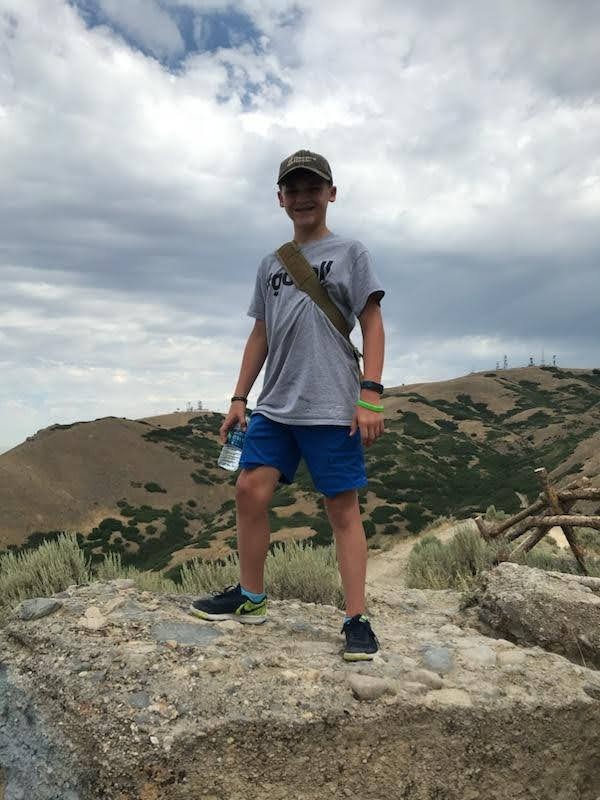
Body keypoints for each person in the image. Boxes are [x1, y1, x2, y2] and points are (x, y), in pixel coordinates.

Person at [190, 149, 386, 661]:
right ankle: (251, 597)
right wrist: (239, 397)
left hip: (331, 404)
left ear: (331, 193)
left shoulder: (351, 252)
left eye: (312, 188)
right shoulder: (271, 263)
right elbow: (260, 333)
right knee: (248, 490)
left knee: (341, 508)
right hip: (275, 405)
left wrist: (371, 393)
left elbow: (372, 322)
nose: (303, 198)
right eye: (293, 190)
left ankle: (356, 618)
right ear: (280, 198)